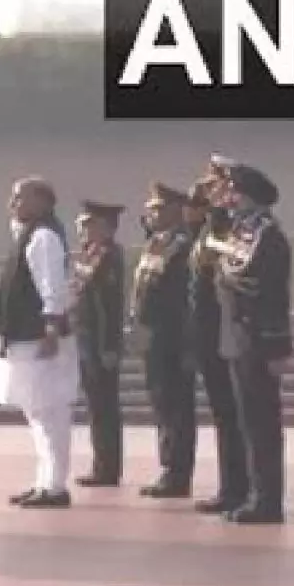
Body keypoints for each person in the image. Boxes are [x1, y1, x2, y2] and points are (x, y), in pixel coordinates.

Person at [206, 164, 293, 525]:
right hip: (238, 338)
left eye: (233, 192)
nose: (228, 199)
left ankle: (267, 501)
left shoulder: (267, 236)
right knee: (246, 421)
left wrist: (276, 346)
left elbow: (271, 295)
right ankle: (250, 493)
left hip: (257, 339)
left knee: (262, 424)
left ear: (250, 197)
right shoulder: (243, 232)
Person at [0, 176, 79, 509]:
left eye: (20, 197)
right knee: (36, 412)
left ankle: (55, 486)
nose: (12, 203)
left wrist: (51, 327)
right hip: (24, 336)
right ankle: (44, 480)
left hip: (39, 336)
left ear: (42, 201)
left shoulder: (44, 237)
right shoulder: (27, 234)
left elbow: (51, 286)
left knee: (49, 411)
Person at [186, 169, 248, 516]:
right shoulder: (208, 230)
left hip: (223, 332)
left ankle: (239, 488)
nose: (205, 195)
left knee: (232, 414)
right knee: (223, 415)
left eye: (212, 187)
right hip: (206, 334)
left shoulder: (229, 228)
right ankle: (230, 487)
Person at [131, 182, 197, 499]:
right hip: (154, 335)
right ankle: (168, 467)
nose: (151, 213)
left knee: (176, 407)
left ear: (175, 210)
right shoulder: (157, 244)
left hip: (173, 336)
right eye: (150, 208)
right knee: (161, 403)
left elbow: (185, 300)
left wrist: (188, 344)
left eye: (157, 208)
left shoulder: (182, 246)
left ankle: (177, 473)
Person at [71, 200, 127, 488]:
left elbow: (108, 307)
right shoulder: (90, 254)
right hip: (86, 338)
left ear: (104, 227)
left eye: (87, 224)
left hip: (100, 341)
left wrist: (108, 346)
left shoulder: (108, 257)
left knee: (104, 405)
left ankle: (108, 468)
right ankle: (101, 463)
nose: (81, 229)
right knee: (95, 405)